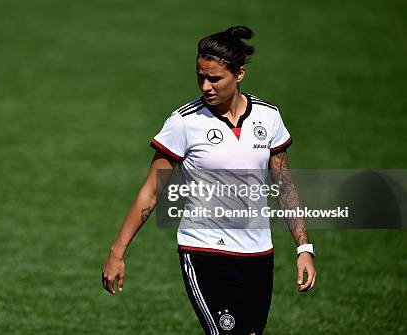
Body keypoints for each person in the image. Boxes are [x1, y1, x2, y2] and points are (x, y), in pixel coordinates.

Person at [101, 26, 316, 334]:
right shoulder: (184, 123)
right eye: (200, 76)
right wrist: (116, 253)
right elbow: (150, 192)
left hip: (257, 253)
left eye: (215, 78)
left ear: (239, 74)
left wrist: (303, 248)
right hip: (204, 251)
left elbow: (285, 186)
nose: (205, 85)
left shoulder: (268, 118)